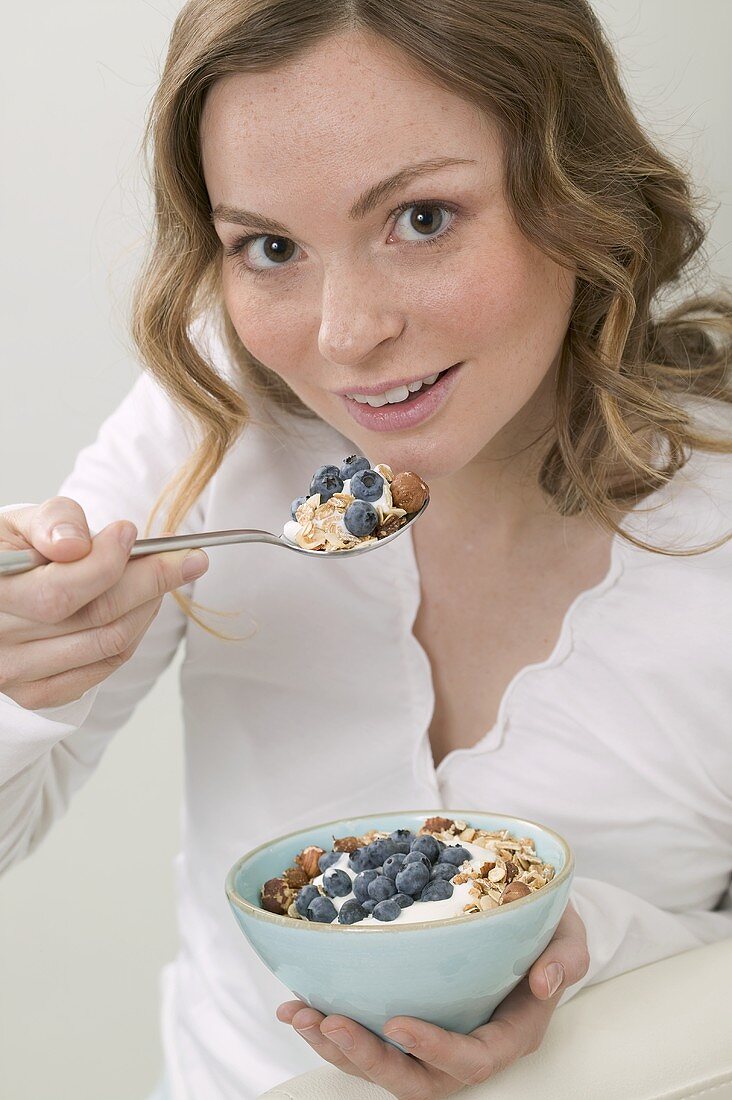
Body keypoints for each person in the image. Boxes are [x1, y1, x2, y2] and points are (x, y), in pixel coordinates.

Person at [1, 1, 731, 1098]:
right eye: (272, 247)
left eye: (423, 217)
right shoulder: (219, 420)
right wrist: (18, 679)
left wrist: (585, 953)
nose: (344, 335)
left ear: (580, 191)